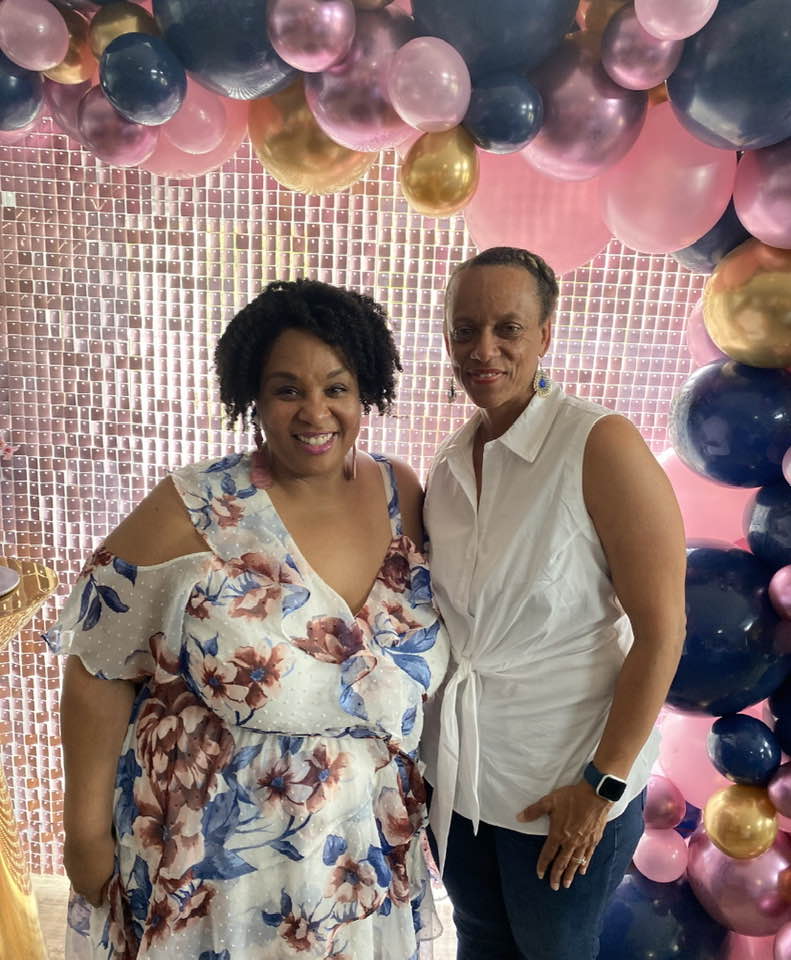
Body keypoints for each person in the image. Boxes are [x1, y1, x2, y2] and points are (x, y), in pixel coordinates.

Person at [45, 279, 450, 959]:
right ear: (253, 400)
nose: (314, 411)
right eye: (287, 389)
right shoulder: (195, 507)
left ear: (365, 391)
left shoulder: (400, 492)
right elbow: (97, 664)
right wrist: (82, 834)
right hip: (215, 868)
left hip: (359, 856)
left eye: (337, 387)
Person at [421, 247, 687, 960]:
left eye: (507, 328)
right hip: (465, 783)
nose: (484, 349)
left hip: (564, 787)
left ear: (545, 334)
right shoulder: (448, 464)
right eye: (464, 328)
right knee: (478, 941)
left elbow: (662, 632)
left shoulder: (597, 444)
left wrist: (600, 782)